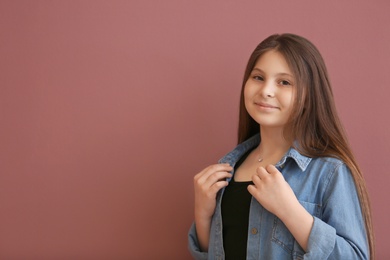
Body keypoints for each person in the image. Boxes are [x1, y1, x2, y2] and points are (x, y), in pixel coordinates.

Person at [188, 33, 374, 259]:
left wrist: (290, 210)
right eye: (258, 77)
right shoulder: (227, 169)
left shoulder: (329, 171)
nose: (266, 90)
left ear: (308, 96)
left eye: (284, 82)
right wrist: (202, 212)